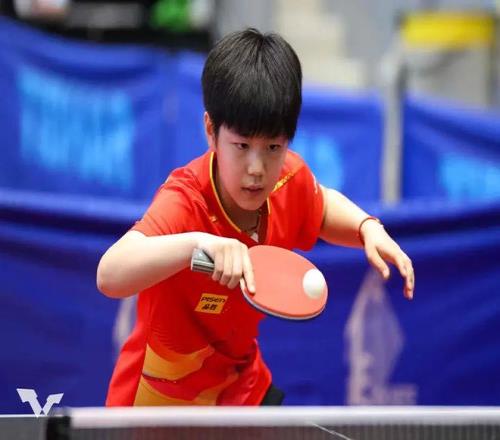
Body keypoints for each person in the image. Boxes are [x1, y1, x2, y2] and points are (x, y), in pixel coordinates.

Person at [97, 28, 415, 407]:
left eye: (273, 147)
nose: (257, 168)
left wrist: (367, 228)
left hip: (239, 388)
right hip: (160, 401)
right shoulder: (185, 201)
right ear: (211, 131)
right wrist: (197, 245)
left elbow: (321, 207)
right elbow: (110, 274)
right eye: (242, 145)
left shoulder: (287, 180)